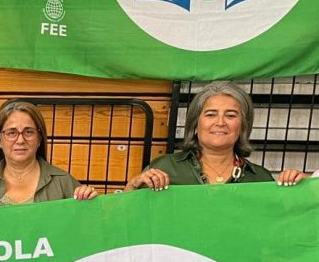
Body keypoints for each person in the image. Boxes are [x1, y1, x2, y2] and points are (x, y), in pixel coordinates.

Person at [124, 81, 305, 190]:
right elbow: (127, 219)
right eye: (210, 114)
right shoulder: (164, 168)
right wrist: (134, 185)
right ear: (195, 123)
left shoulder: (260, 178)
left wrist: (306, 188)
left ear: (243, 125)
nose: (220, 122)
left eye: (231, 115)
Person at [0, 102, 98, 212]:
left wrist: (90, 204)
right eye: (11, 133)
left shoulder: (64, 183)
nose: (20, 140)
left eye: (28, 132)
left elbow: (85, 231)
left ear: (40, 138)